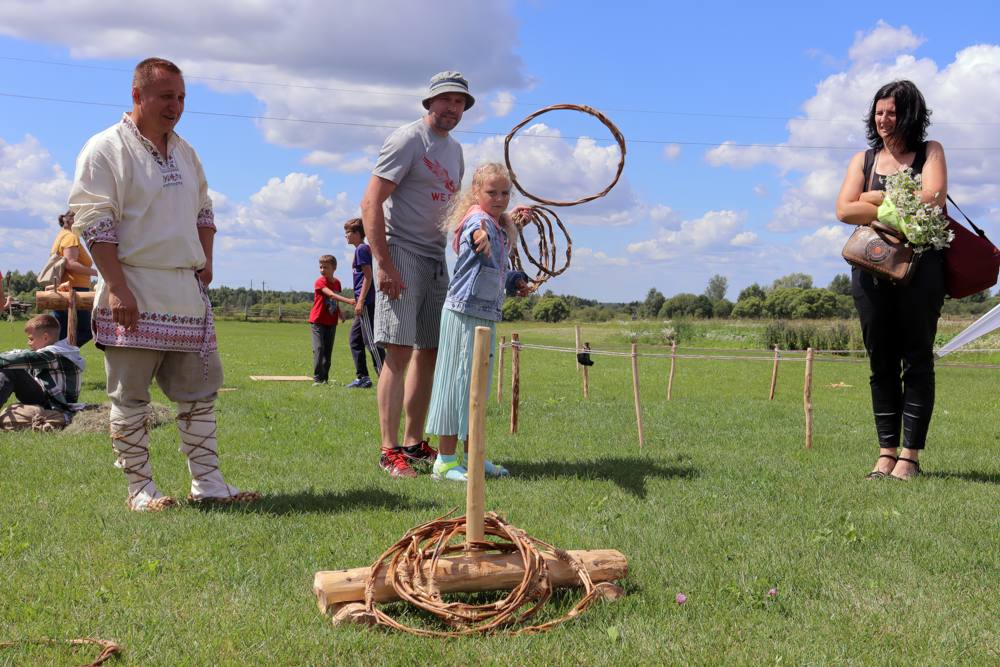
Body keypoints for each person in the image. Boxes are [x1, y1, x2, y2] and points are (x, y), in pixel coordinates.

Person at [69, 57, 259, 511]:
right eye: (165, 96)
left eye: (181, 97)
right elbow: (93, 222)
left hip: (184, 293)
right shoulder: (105, 148)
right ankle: (140, 490)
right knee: (130, 396)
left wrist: (206, 262)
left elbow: (204, 212)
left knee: (199, 394)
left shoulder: (187, 151)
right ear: (137, 96)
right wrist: (116, 287)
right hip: (132, 285)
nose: (175, 106)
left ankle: (208, 484)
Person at [360, 71, 472, 478]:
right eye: (445, 100)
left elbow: (454, 211)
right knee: (399, 351)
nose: (452, 108)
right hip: (400, 250)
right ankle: (389, 450)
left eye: (459, 103)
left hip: (435, 256)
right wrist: (384, 263)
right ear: (429, 103)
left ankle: (413, 443)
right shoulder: (408, 140)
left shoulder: (455, 151)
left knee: (431, 351)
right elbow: (370, 202)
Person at [835, 80, 947, 482]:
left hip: (922, 272)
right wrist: (896, 200)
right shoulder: (862, 160)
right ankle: (885, 455)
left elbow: (933, 197)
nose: (884, 120)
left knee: (916, 359)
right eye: (879, 112)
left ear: (911, 114)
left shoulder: (930, 151)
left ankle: (910, 458)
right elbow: (843, 210)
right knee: (880, 362)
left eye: (892, 113)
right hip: (870, 271)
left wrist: (872, 199)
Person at [425, 163, 529, 481]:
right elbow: (472, 233)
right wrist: (478, 235)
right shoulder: (478, 220)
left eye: (504, 193)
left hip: (483, 316)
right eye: (491, 192)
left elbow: (492, 269)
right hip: (463, 315)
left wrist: (515, 282)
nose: (499, 198)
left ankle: (473, 457)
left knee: (476, 389)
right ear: (475, 192)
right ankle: (444, 461)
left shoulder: (498, 225)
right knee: (457, 387)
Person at [0, 314, 84, 421]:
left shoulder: (52, 355)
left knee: (11, 369)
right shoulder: (58, 352)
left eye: (31, 339)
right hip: (51, 402)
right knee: (11, 366)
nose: (28, 343)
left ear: (45, 337)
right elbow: (21, 355)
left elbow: (22, 358)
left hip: (55, 406)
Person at [343, 217, 384, 388]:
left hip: (366, 303)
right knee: (355, 339)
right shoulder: (360, 249)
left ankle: (384, 377)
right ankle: (363, 377)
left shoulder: (361, 249)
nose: (346, 235)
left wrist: (360, 301)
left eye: (349, 232)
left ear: (358, 234)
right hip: (363, 302)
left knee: (371, 342)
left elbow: (368, 276)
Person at [50, 210, 99, 346]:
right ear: (75, 220)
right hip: (74, 289)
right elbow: (70, 263)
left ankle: (54, 360)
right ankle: (60, 355)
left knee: (62, 332)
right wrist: (97, 272)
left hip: (64, 288)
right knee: (86, 331)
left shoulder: (61, 236)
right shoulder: (71, 237)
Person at [309, 254, 354, 385]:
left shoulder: (337, 283)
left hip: (331, 321)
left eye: (325, 267)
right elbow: (331, 294)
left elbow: (334, 300)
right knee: (319, 348)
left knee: (328, 351)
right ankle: (317, 378)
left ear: (334, 268)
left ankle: (324, 379)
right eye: (320, 267)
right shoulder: (320, 282)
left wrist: (340, 312)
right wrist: (349, 301)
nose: (322, 270)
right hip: (317, 320)